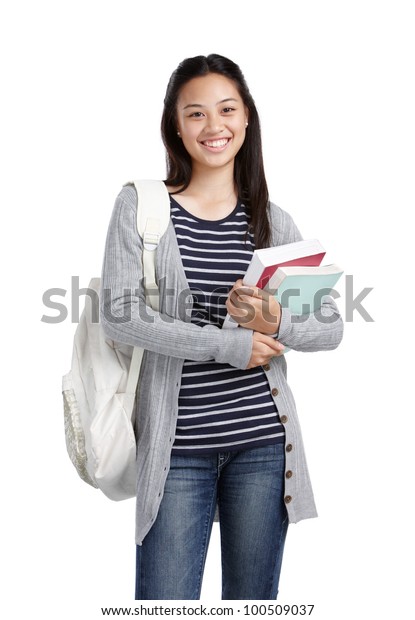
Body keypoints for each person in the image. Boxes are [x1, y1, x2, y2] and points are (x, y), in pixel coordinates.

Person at [100, 53, 344, 601]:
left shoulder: (272, 220)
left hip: (262, 443)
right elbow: (121, 313)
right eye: (195, 114)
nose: (214, 127)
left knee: (252, 605)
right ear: (175, 126)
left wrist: (275, 317)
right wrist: (229, 344)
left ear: (247, 118)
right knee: (165, 605)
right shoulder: (143, 209)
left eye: (227, 110)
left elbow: (329, 326)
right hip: (178, 447)